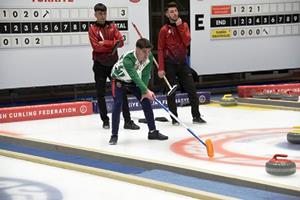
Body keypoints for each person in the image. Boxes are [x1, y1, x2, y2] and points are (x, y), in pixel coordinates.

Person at [88, 3, 139, 130]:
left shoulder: (112, 26)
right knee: (100, 93)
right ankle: (105, 120)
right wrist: (112, 44)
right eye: (100, 13)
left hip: (114, 66)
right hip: (99, 65)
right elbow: (96, 48)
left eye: (104, 13)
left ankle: (127, 121)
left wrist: (105, 42)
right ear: (95, 14)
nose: (102, 16)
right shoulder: (92, 29)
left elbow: (121, 42)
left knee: (121, 92)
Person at [109, 38, 168, 145]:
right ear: (137, 49)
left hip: (131, 81)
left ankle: (152, 132)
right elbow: (135, 76)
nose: (147, 55)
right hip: (118, 80)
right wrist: (146, 90)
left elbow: (145, 75)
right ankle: (114, 135)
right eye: (144, 52)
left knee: (146, 101)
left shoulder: (149, 57)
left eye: (148, 51)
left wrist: (144, 91)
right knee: (118, 104)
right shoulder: (128, 59)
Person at [157, 2, 206, 126]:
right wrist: (161, 68)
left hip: (182, 64)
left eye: (176, 11)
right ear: (167, 14)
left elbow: (187, 41)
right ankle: (174, 118)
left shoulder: (184, 25)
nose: (175, 13)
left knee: (192, 90)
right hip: (169, 65)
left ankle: (196, 116)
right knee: (171, 92)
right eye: (171, 11)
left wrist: (179, 27)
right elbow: (160, 49)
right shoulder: (164, 30)